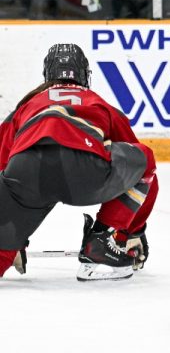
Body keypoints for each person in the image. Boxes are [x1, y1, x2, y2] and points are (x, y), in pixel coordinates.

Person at [0, 43, 157, 281]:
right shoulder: (99, 103)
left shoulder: (28, 105)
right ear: (85, 74)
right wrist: (131, 231)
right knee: (144, 158)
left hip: (28, 171)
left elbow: (2, 162)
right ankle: (102, 240)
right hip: (84, 174)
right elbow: (140, 171)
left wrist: (9, 234)